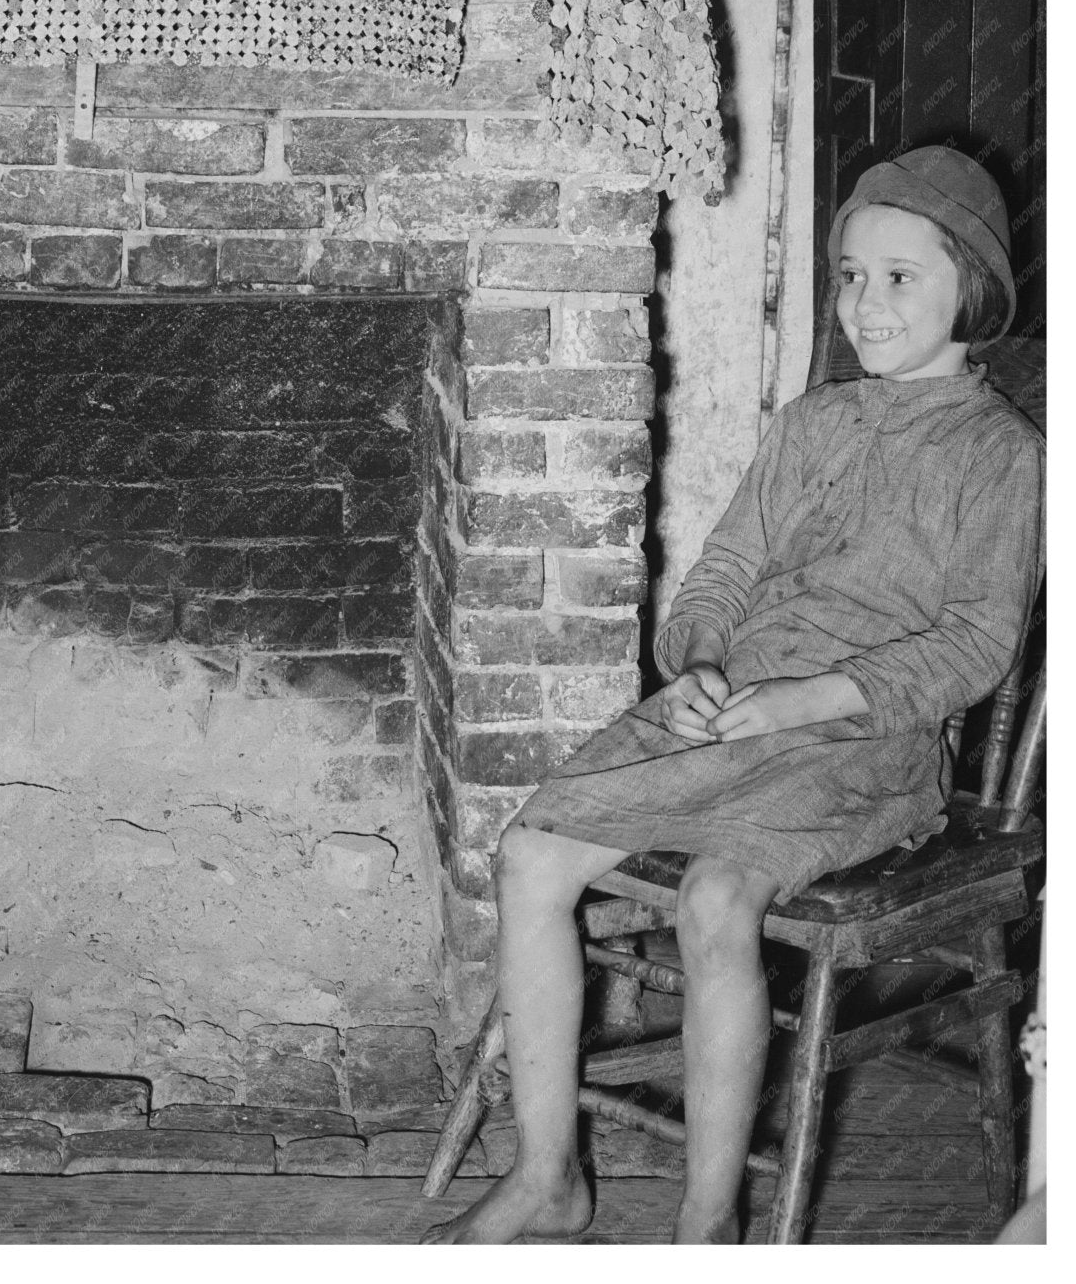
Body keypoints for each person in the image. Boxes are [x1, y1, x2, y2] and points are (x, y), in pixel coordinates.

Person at [426, 146, 1044, 1245]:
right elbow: (724, 569)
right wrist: (699, 659)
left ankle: (708, 1221)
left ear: (974, 288)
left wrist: (804, 700)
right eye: (850, 275)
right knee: (531, 855)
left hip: (864, 736)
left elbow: (974, 647)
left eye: (901, 276)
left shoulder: (1003, 454)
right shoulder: (812, 421)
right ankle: (547, 1174)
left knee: (717, 899)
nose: (865, 302)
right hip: (732, 709)